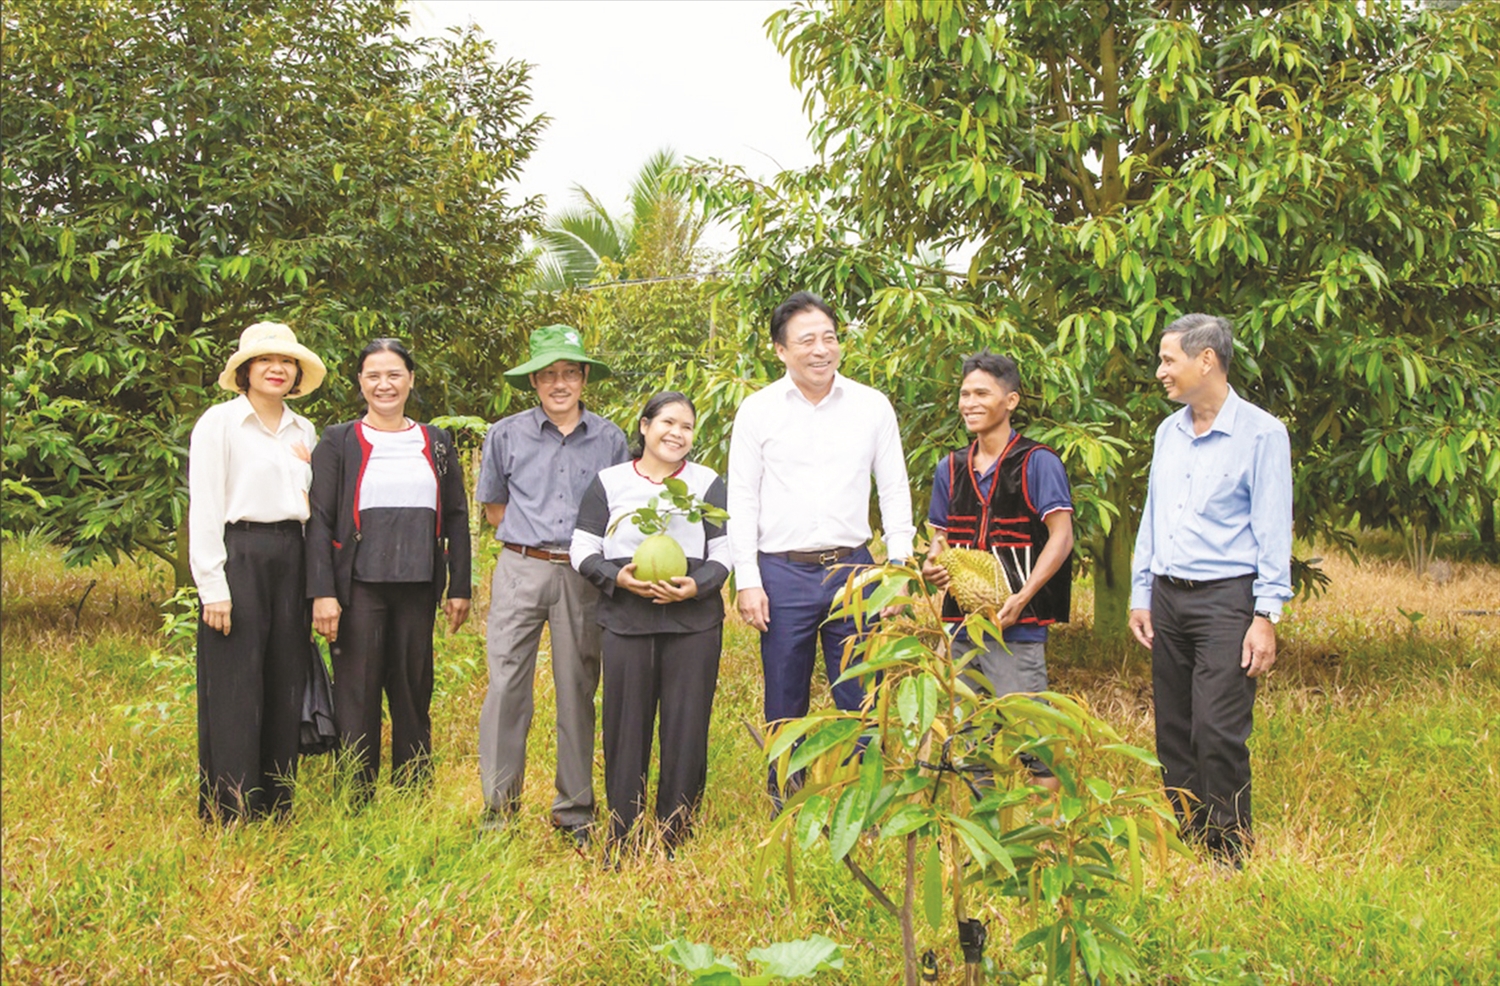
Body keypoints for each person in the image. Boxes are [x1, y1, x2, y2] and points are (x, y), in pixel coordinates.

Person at [726, 291, 915, 804]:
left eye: (828, 337)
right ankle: (785, 798)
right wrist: (747, 578)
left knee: (860, 690)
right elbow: (741, 497)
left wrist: (897, 570)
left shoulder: (871, 407)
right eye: (806, 340)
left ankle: (863, 797)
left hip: (854, 569)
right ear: (780, 350)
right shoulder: (758, 411)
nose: (820, 349)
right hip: (781, 572)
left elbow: (895, 490)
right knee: (784, 693)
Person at [1127, 313, 1293, 865]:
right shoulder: (1167, 432)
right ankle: (1192, 838)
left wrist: (1265, 614)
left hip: (1227, 600)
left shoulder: (1263, 433)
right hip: (1169, 598)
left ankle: (1229, 851)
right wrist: (1140, 591)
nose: (1160, 372)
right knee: (1174, 730)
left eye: (1168, 359)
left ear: (1206, 361)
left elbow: (1273, 527)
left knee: (1218, 730)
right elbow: (1153, 516)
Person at [475, 325, 630, 842]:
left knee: (577, 687)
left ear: (584, 378)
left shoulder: (610, 439)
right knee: (505, 687)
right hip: (520, 566)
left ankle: (575, 811)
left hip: (584, 574)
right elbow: (496, 509)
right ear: (534, 382)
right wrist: (532, 544)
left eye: (569, 372)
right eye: (548, 375)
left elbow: (619, 511)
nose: (559, 383)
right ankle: (498, 811)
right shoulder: (506, 434)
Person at [305, 338, 471, 801]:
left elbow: (456, 514)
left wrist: (460, 585)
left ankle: (414, 790)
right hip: (358, 586)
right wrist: (322, 592)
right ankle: (356, 794)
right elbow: (319, 518)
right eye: (373, 375)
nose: (385, 384)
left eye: (394, 374)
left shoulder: (435, 441)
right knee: (357, 692)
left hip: (418, 582)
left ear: (411, 380)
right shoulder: (339, 440)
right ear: (360, 382)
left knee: (413, 688)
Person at [570, 392, 729, 855]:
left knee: (687, 725)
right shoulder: (610, 482)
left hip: (693, 622)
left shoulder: (706, 483)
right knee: (625, 724)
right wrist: (615, 576)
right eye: (668, 423)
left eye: (687, 426)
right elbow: (582, 546)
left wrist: (697, 586)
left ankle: (674, 832)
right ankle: (623, 832)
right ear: (644, 426)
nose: (677, 433)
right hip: (626, 618)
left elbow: (724, 549)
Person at [189, 321, 326, 822]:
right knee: (234, 684)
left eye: (287, 362)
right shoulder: (220, 424)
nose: (277, 369)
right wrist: (213, 587)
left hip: (291, 556)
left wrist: (317, 587)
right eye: (266, 360)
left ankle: (276, 804)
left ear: (296, 374)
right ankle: (230, 807)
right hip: (239, 555)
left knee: (284, 680)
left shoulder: (304, 431)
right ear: (246, 370)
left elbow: (313, 510)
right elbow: (204, 507)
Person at [922, 352, 1073, 790]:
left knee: (1032, 732)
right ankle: (983, 829)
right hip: (961, 623)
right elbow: (940, 540)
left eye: (981, 393)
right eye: (965, 393)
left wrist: (1023, 596)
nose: (969, 402)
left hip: (1017, 623)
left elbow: (1060, 537)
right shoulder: (950, 467)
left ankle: (1049, 833)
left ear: (1010, 401)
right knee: (967, 735)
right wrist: (934, 565)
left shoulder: (1037, 462)